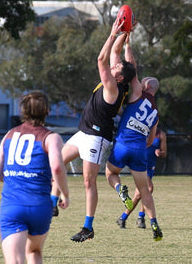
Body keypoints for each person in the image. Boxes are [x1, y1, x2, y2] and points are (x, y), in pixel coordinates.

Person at [51, 18, 136, 243]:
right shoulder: (119, 78)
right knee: (57, 163)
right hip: (84, 132)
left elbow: (101, 58)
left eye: (116, 67)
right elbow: (116, 53)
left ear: (118, 77)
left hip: (97, 137)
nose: (113, 64)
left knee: (88, 182)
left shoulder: (112, 86)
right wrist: (125, 34)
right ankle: (52, 205)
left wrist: (111, 33)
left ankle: (88, 227)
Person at [0, 91, 70, 263]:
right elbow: (57, 167)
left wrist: (17, 177)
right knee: (34, 251)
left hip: (13, 205)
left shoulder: (10, 134)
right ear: (47, 111)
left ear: (23, 111)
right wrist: (65, 193)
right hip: (40, 206)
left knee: (15, 260)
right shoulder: (51, 137)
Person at [105, 32, 163, 241]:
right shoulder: (156, 113)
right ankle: (155, 224)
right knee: (145, 190)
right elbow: (150, 140)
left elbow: (132, 65)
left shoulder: (139, 91)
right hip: (140, 150)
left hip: (122, 144)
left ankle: (120, 189)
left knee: (110, 174)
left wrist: (128, 41)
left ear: (146, 86)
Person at [116, 128, 167, 229]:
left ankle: (123, 217)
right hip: (139, 163)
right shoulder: (140, 130)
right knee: (148, 188)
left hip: (150, 167)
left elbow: (164, 153)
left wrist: (159, 152)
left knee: (139, 194)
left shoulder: (161, 134)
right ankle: (140, 217)